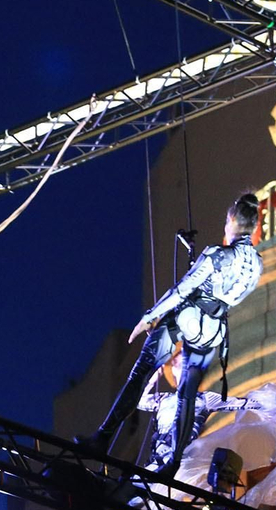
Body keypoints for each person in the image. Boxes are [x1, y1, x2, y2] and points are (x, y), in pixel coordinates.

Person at [90, 192, 263, 473]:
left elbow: (183, 288)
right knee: (187, 395)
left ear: (231, 221)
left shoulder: (218, 255)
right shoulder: (257, 265)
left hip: (191, 317)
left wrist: (149, 317)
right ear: (254, 227)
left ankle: (103, 437)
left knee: (142, 371)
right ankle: (174, 462)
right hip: (214, 331)